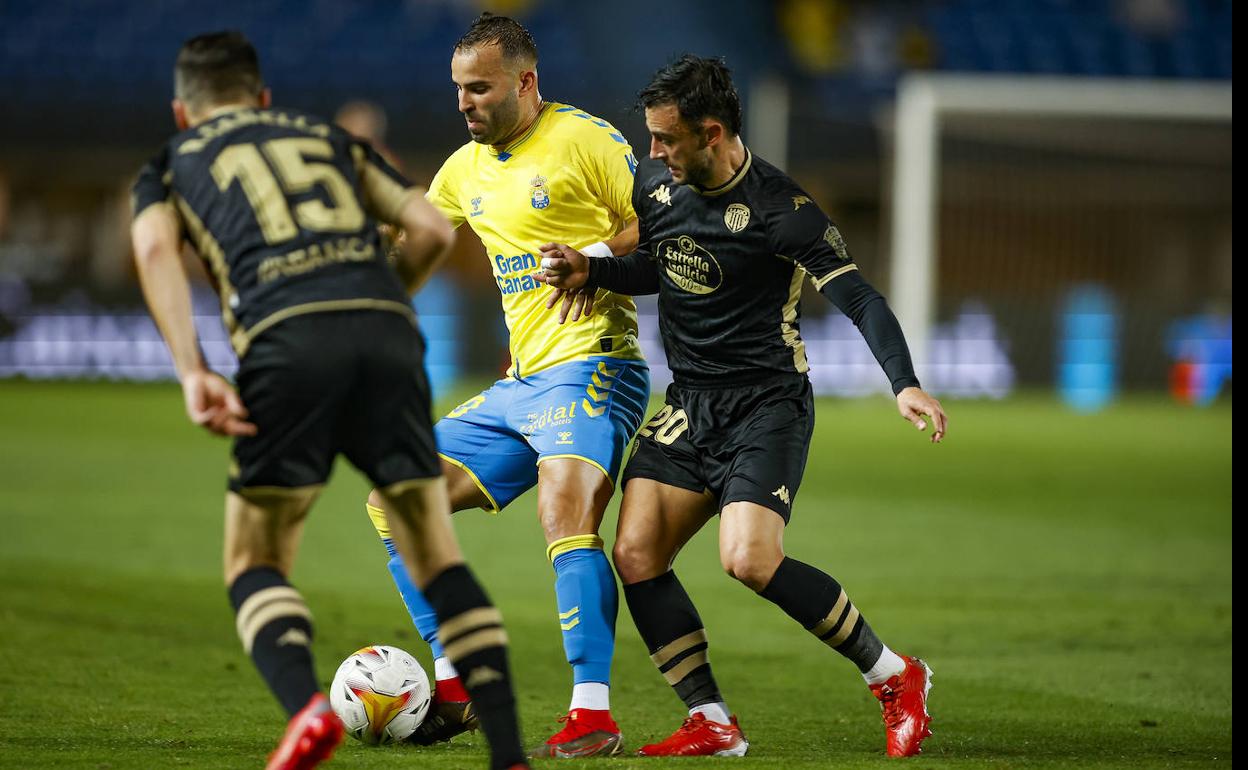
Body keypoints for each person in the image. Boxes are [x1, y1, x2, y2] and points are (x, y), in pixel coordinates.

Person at [130, 31, 527, 770]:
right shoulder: (326, 139)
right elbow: (433, 228)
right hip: (385, 336)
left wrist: (193, 370)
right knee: (435, 552)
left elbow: (155, 249)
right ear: (265, 98)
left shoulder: (170, 163)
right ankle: (510, 756)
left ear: (183, 112)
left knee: (256, 560)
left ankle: (307, 712)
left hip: (284, 344)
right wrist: (380, 302)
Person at [537, 54, 945, 759]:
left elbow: (862, 299)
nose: (652, 152)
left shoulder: (782, 211)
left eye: (666, 139)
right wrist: (594, 269)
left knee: (748, 560)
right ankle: (711, 720)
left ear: (713, 132)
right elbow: (659, 266)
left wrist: (903, 381)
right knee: (635, 554)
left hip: (767, 406)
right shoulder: (656, 186)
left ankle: (895, 675)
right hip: (691, 405)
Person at [359, 13, 650, 759]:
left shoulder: (586, 139)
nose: (465, 102)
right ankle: (453, 690)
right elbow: (413, 234)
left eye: (480, 88)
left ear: (525, 81)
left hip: (597, 364)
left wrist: (592, 252)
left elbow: (657, 221)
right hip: (519, 386)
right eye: (458, 89)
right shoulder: (464, 168)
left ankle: (593, 712)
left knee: (564, 510)